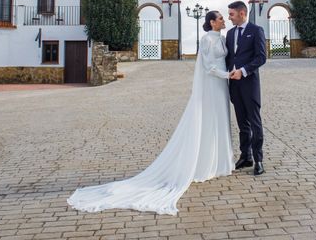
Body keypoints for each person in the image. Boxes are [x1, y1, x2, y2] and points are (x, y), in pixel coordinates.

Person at [67, 11, 234, 215]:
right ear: (211, 22)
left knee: (219, 119)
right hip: (212, 83)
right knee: (207, 120)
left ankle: (217, 162)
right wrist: (227, 74)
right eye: (220, 18)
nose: (224, 20)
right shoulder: (206, 39)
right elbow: (208, 66)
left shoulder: (223, 38)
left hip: (222, 85)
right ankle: (202, 163)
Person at [225, 1, 267, 176]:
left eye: (231, 14)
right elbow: (228, 58)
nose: (229, 17)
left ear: (242, 13)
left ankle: (258, 160)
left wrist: (243, 71)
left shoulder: (256, 31)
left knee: (254, 123)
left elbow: (261, 57)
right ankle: (246, 156)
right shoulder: (229, 33)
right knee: (242, 123)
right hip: (234, 85)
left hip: (249, 84)